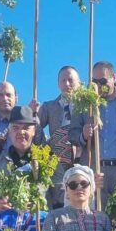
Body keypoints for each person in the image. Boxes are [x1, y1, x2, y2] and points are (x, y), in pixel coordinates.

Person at [69, 61, 116, 208]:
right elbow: (72, 134)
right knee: (98, 220)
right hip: (95, 171)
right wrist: (83, 135)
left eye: (103, 81)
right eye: (95, 81)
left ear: (114, 78)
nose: (98, 85)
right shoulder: (86, 103)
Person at [38, 65, 83, 208]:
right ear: (58, 84)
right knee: (61, 194)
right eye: (63, 80)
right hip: (58, 156)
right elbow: (35, 127)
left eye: (70, 80)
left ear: (79, 82)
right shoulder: (49, 106)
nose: (67, 84)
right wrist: (33, 113)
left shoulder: (88, 105)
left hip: (81, 154)